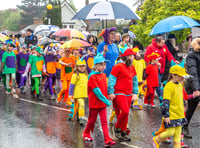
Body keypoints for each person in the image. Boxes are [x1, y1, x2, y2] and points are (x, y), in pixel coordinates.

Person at [152, 65, 191, 148]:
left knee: (177, 135)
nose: (183, 78)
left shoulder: (180, 85)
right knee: (170, 132)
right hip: (172, 115)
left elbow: (181, 99)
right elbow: (165, 102)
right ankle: (156, 139)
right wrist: (166, 116)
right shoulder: (169, 86)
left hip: (179, 114)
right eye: (180, 76)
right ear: (173, 75)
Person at [82, 53, 116, 147]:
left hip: (102, 102)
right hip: (95, 102)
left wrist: (109, 94)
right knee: (92, 120)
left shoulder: (103, 75)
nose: (103, 66)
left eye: (104, 64)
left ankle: (107, 139)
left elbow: (104, 87)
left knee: (104, 121)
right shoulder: (92, 77)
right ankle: (86, 133)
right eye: (101, 64)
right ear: (95, 65)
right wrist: (106, 100)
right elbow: (97, 91)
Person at [108, 48, 138, 141]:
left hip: (129, 93)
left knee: (125, 114)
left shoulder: (132, 67)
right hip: (119, 92)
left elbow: (135, 81)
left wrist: (135, 93)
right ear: (127, 57)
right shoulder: (118, 66)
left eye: (133, 56)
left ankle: (123, 131)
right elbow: (112, 80)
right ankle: (117, 128)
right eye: (132, 56)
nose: (133, 58)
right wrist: (111, 92)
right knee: (124, 111)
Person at [144, 36, 178, 103]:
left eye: (164, 43)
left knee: (156, 85)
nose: (163, 44)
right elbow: (146, 57)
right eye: (162, 43)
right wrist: (154, 63)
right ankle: (162, 101)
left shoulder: (164, 46)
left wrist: (174, 61)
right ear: (157, 42)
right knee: (158, 85)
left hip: (162, 69)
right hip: (154, 70)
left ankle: (148, 98)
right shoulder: (150, 47)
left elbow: (168, 55)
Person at [183, 38, 200, 138]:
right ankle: (184, 126)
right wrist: (196, 88)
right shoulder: (191, 55)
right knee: (192, 108)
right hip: (194, 85)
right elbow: (193, 73)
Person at [68, 59, 88, 125]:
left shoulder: (86, 75)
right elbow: (71, 85)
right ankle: (81, 119)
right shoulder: (75, 75)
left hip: (84, 94)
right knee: (82, 105)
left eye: (83, 66)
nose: (82, 68)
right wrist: (70, 94)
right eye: (80, 66)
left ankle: (78, 117)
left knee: (79, 106)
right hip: (78, 94)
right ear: (77, 67)